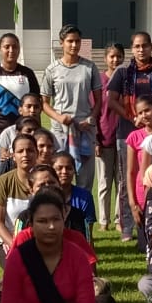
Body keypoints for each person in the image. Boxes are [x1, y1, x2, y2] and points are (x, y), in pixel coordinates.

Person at [106, 32, 152, 239]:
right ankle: (127, 226)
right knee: (129, 178)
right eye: (137, 46)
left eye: (144, 45)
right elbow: (111, 100)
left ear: (150, 47)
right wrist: (130, 115)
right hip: (129, 133)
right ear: (132, 49)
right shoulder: (123, 72)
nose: (141, 49)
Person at [0, 33, 40, 243]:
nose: (10, 50)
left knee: (24, 179)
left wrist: (36, 134)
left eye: (14, 47)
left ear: (19, 48)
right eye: (6, 47)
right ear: (0, 48)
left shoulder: (28, 74)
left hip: (23, 137)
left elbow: (35, 107)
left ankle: (23, 224)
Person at [42, 24, 103, 190]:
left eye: (77, 41)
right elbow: (44, 103)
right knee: (59, 181)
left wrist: (90, 119)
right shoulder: (52, 69)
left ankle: (83, 216)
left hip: (85, 131)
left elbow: (99, 100)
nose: (74, 45)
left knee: (84, 183)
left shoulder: (89, 67)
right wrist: (59, 118)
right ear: (62, 43)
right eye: (70, 41)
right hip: (60, 132)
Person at [0, 133, 37, 265]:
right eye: (20, 151)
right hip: (9, 240)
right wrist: (15, 245)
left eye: (30, 150)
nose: (25, 154)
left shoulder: (45, 179)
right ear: (13, 156)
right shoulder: (3, 182)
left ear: (37, 154)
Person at [96, 42, 125, 233]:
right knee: (104, 183)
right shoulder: (99, 81)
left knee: (122, 182)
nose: (115, 60)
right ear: (106, 58)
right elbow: (95, 110)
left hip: (123, 137)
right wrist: (95, 139)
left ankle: (119, 219)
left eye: (118, 56)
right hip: (104, 137)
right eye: (111, 56)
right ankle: (103, 220)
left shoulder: (126, 79)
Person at [125, 95, 152, 241]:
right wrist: (133, 203)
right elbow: (131, 172)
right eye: (140, 113)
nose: (144, 115)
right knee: (145, 243)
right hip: (142, 194)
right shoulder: (134, 137)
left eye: (147, 110)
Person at [53, 151, 96, 242]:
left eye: (69, 168)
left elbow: (88, 234)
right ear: (52, 171)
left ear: (74, 171)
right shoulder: (45, 196)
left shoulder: (85, 197)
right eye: (59, 168)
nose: (64, 172)